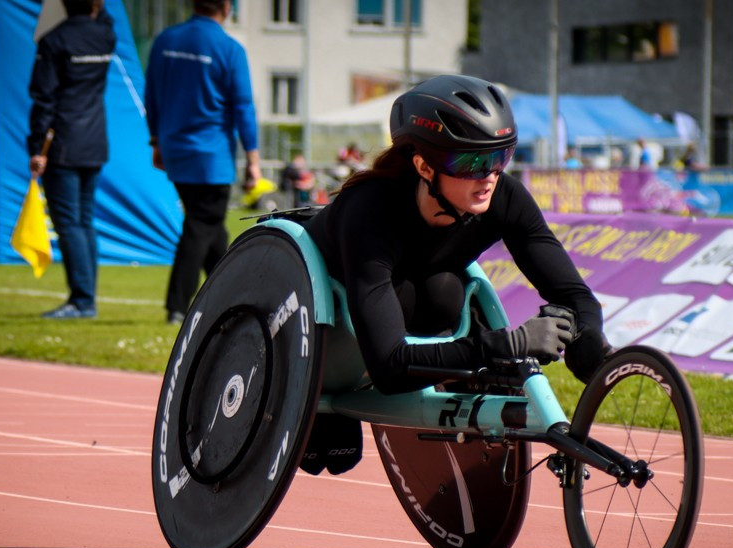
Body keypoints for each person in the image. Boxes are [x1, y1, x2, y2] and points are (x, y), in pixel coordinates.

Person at [304, 74, 609, 397]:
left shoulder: (506, 197)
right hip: (322, 326)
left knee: (445, 294)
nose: (490, 176)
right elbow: (389, 369)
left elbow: (575, 296)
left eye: (500, 158)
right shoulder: (369, 211)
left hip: (413, 301)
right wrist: (510, 344)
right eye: (473, 162)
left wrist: (586, 334)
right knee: (411, 295)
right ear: (424, 167)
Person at [144, 0, 261, 325]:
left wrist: (155, 140)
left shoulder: (166, 40)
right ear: (226, 6)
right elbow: (243, 107)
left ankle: (235, 295)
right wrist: (253, 159)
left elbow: (151, 94)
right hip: (212, 157)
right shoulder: (229, 48)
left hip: (176, 151)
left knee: (210, 228)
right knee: (200, 225)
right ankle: (177, 306)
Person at [27, 0, 115, 319]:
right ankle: (86, 297)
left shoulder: (55, 40)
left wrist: (36, 147)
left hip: (62, 142)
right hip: (94, 140)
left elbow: (43, 98)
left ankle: (82, 300)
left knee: (69, 223)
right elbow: (104, 17)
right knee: (84, 221)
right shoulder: (105, 35)